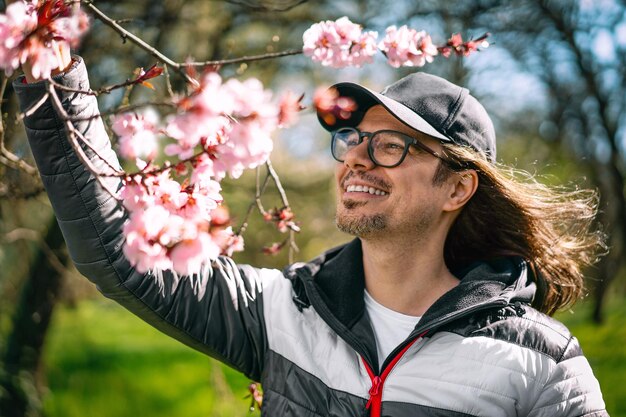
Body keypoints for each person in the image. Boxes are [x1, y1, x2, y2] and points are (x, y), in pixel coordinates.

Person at [15, 52, 608, 416]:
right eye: (353, 140)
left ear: (457, 189)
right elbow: (115, 250)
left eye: (392, 145)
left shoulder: (541, 364)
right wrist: (51, 62)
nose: (357, 160)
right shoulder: (283, 314)